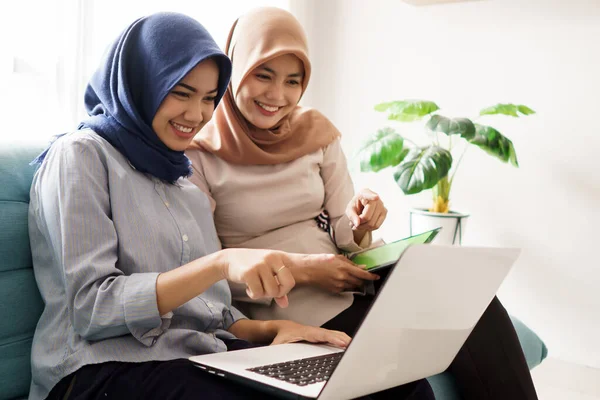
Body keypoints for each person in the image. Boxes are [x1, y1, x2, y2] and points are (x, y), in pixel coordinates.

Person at [27, 12, 434, 400]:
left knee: (397, 387)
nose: (197, 114)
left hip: (198, 358)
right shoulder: (81, 155)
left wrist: (276, 329)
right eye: (181, 93)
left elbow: (215, 313)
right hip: (101, 369)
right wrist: (220, 263)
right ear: (141, 82)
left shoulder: (180, 180)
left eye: (208, 98)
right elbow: (92, 308)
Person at [187, 7, 539, 400]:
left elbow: (343, 226)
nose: (277, 95)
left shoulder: (315, 133)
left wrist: (361, 222)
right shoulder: (200, 154)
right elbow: (208, 271)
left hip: (355, 281)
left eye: (293, 80)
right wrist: (306, 272)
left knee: (471, 303)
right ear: (234, 69)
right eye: (263, 75)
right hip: (288, 306)